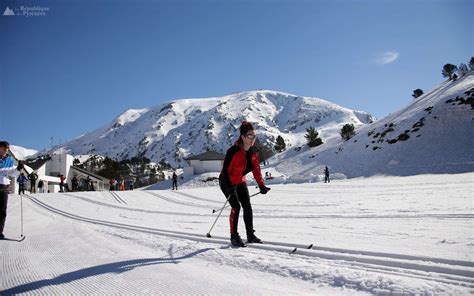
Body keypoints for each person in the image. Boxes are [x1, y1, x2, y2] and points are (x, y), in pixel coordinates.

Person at [219, 121, 271, 247]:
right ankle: (234, 236)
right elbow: (225, 171)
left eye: (254, 136)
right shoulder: (233, 151)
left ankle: (250, 235)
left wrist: (262, 185)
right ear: (242, 137)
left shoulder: (252, 153)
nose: (253, 139)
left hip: (240, 180)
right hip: (226, 181)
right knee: (236, 207)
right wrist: (230, 188)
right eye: (250, 136)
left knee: (247, 206)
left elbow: (256, 170)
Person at [0, 141, 23, 239]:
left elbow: (12, 174)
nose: (6, 150)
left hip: (4, 187)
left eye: (7, 148)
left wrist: (18, 169)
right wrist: (9, 170)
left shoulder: (9, 160)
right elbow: (4, 171)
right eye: (4, 148)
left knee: (2, 211)